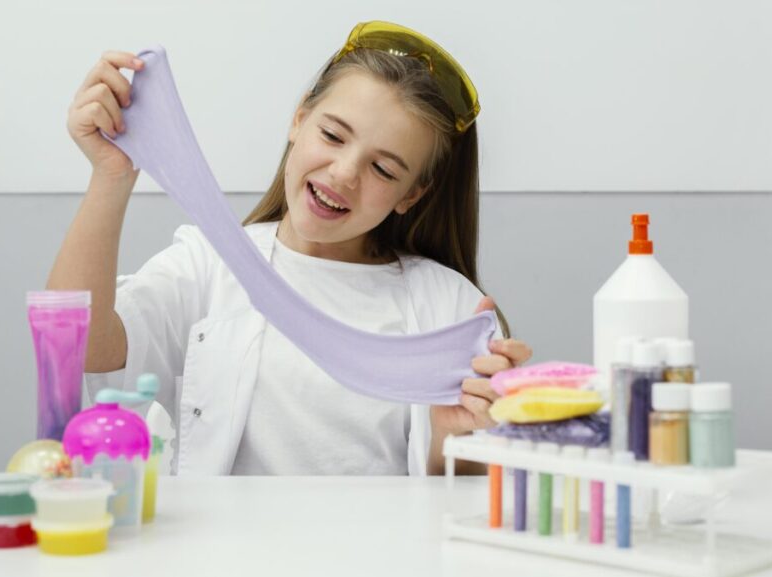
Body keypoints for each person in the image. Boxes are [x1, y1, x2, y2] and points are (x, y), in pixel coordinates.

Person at [47, 21, 532, 476]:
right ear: (299, 119)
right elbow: (76, 347)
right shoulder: (209, 264)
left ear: (412, 194)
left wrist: (458, 439)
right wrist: (110, 177)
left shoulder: (451, 309)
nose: (344, 173)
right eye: (332, 135)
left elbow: (460, 502)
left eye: (383, 169)